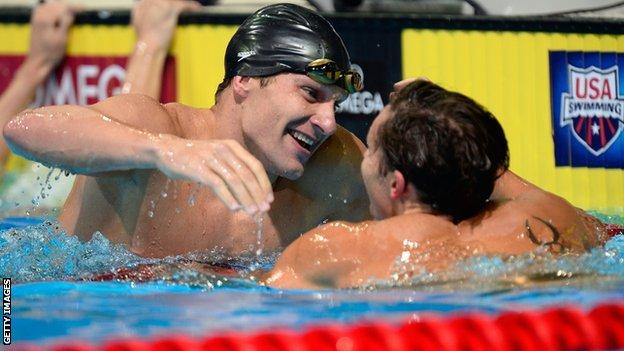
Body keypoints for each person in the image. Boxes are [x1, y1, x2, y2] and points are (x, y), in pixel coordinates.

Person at [3, 4, 370, 258]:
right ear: (245, 80)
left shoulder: (336, 166)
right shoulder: (157, 129)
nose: (328, 121)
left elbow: (414, 224)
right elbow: (25, 129)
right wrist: (163, 151)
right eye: (311, 94)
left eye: (334, 104)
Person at [263, 79, 609, 289]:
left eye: (371, 150)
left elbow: (260, 300)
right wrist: (447, 129)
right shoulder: (550, 215)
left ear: (396, 185)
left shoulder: (334, 248)